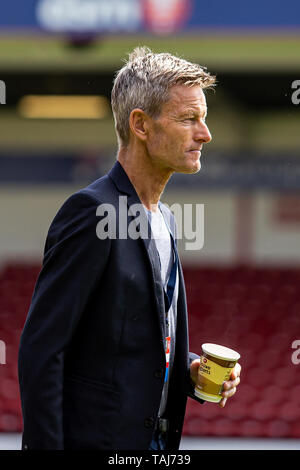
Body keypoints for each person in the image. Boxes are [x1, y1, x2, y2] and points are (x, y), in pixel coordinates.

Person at [18, 47, 241, 451]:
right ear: (140, 124)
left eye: (203, 119)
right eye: (189, 119)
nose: (204, 133)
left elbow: (126, 341)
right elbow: (42, 350)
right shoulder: (91, 211)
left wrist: (186, 369)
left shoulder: (168, 220)